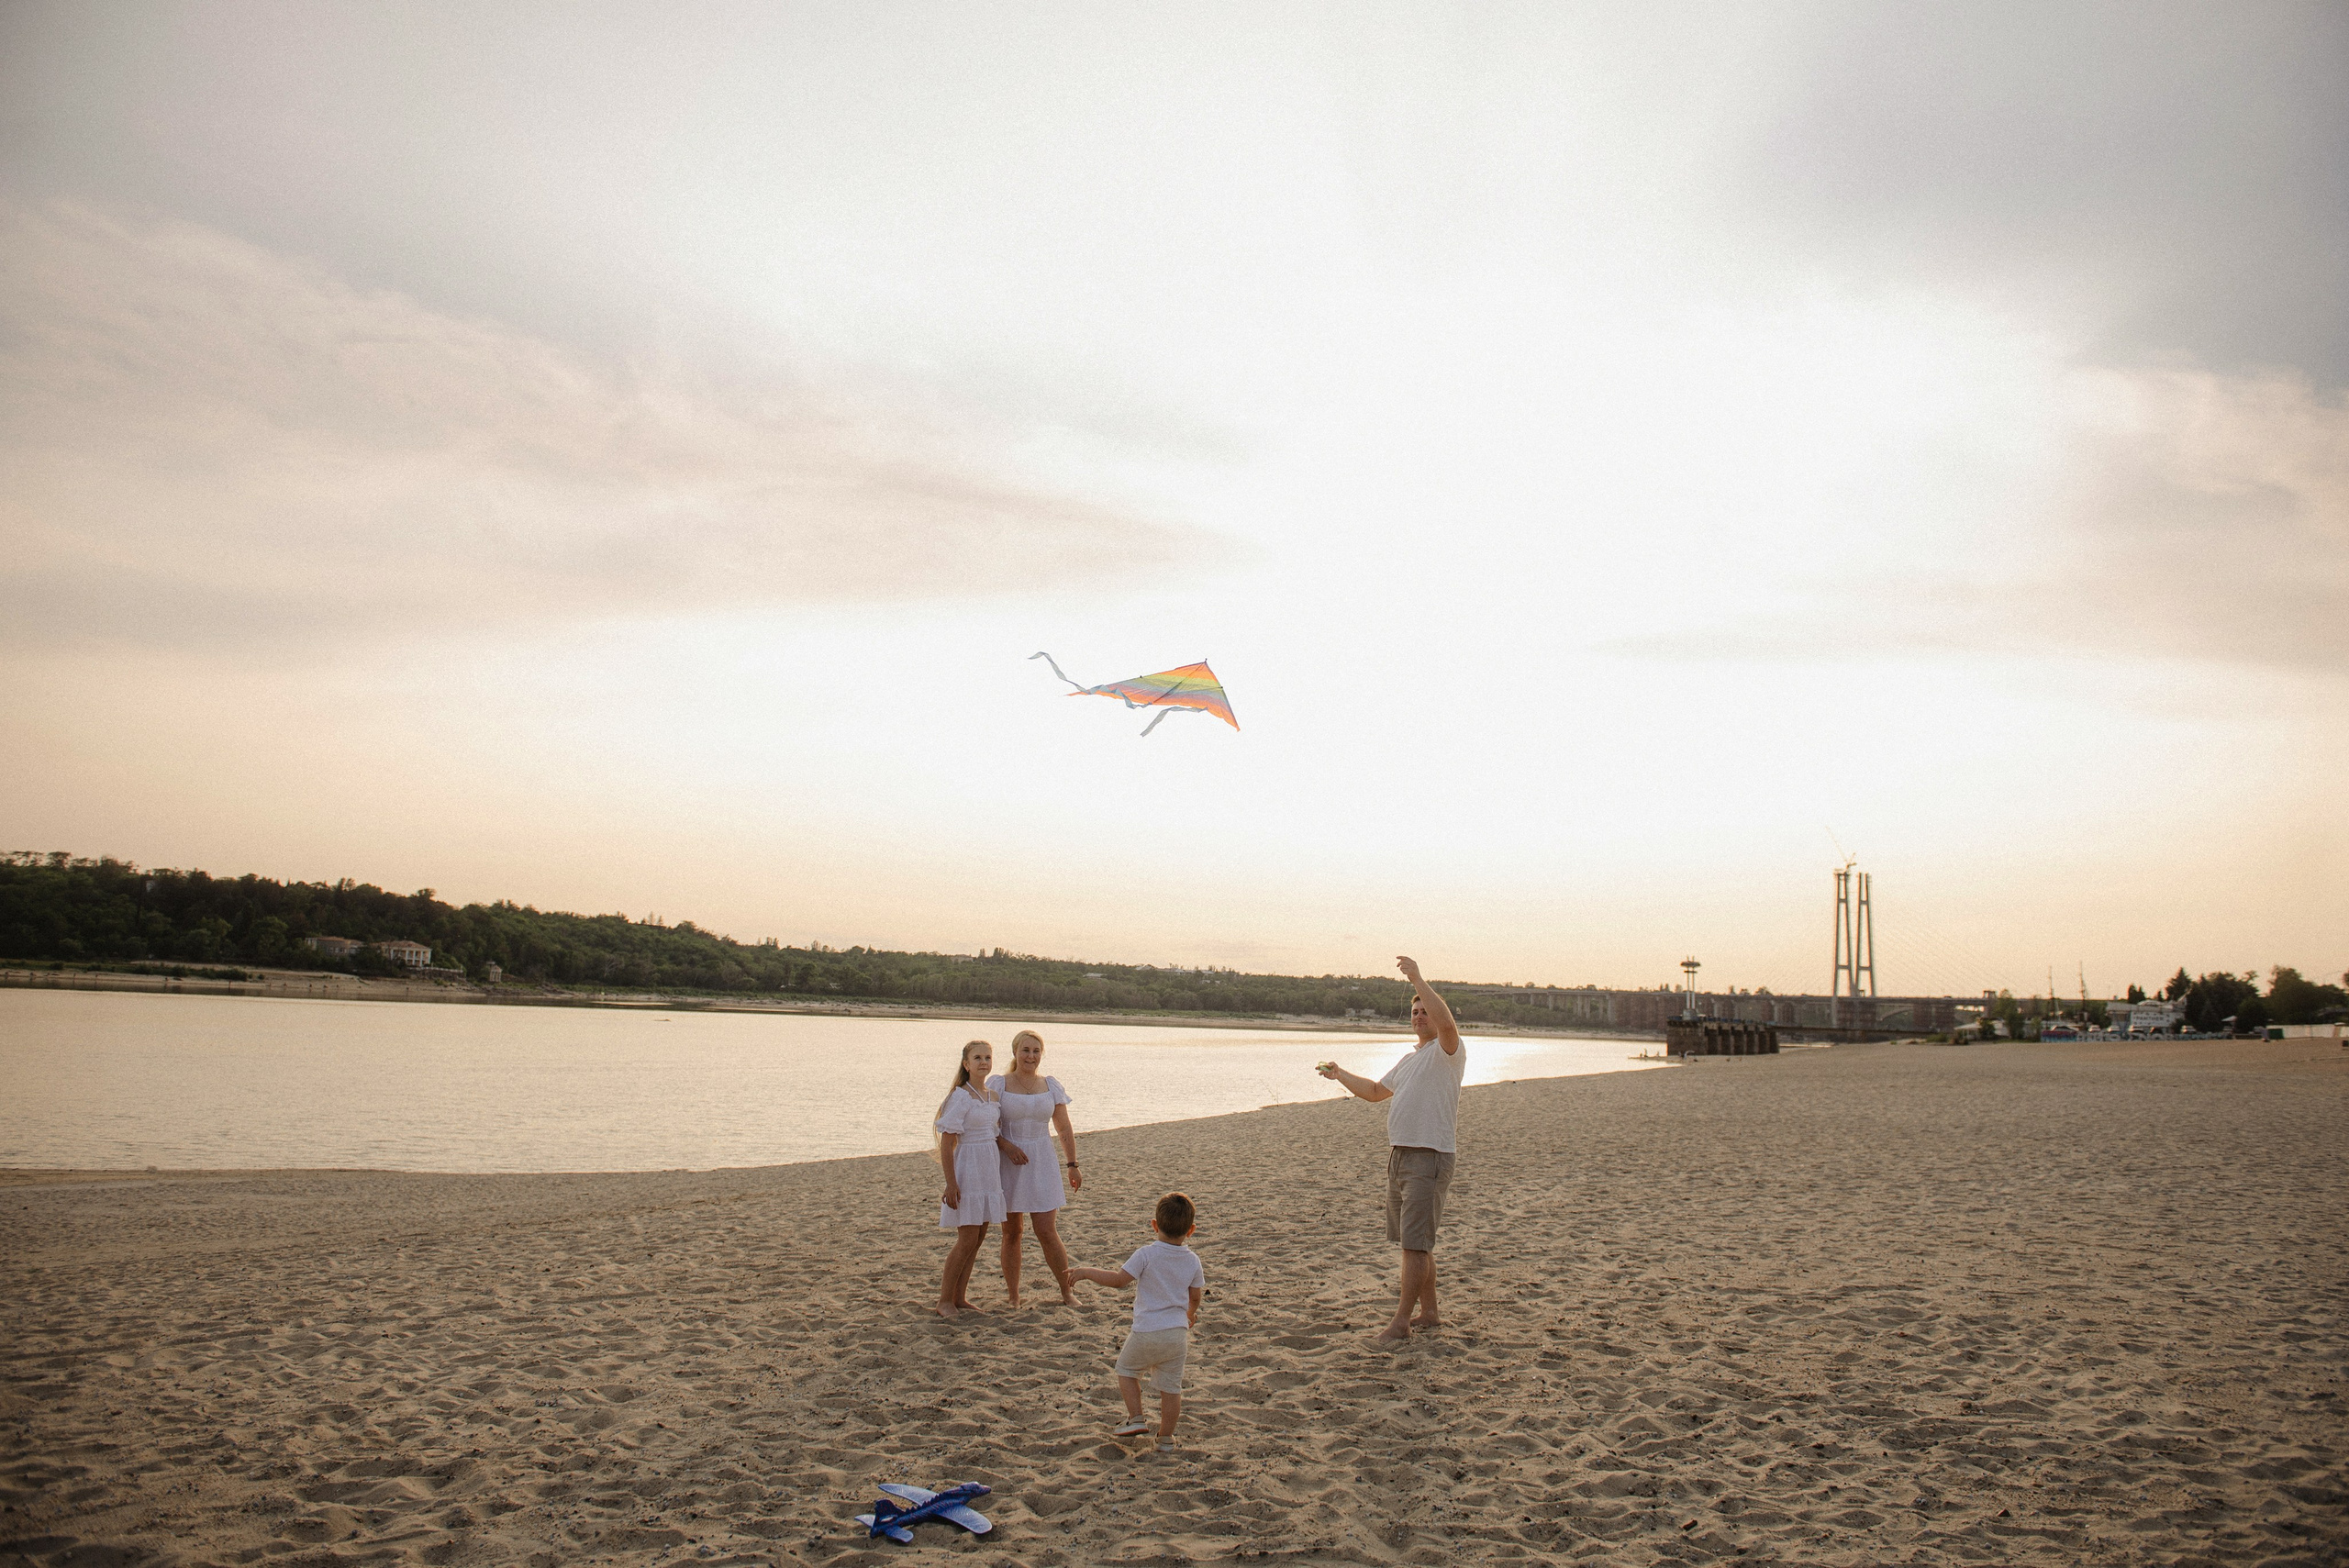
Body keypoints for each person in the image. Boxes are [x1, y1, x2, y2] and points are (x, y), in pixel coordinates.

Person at [1317, 954, 1464, 1342]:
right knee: (1415, 1241)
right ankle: (1429, 1313)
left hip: (1428, 1157)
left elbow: (1446, 1022)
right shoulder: (1409, 1060)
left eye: (1424, 1010)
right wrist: (1340, 1074)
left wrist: (1417, 978)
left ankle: (1400, 1322)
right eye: (1414, 1011)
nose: (1419, 1015)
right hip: (1400, 1157)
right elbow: (1375, 1092)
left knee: (1414, 1246)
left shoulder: (1448, 1051)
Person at [1069, 1193, 1205, 1452]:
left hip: (1146, 1331)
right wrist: (1189, 1314)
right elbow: (1195, 1297)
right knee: (1171, 1389)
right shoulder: (1193, 1260)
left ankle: (1136, 1417)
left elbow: (1119, 1280)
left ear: (1154, 1225)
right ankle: (1166, 1438)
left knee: (1127, 1371)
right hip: (1177, 1336)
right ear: (1191, 1231)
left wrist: (1086, 1272)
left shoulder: (1145, 1254)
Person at [989, 1029, 1082, 1307]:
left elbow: (1063, 1127)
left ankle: (1067, 1293)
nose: (1031, 1056)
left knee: (1047, 1231)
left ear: (1042, 1054)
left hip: (1042, 1160)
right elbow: (987, 1124)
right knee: (1012, 1232)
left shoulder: (1050, 1085)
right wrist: (1006, 1146)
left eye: (1036, 1051)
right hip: (1008, 1161)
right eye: (1025, 1050)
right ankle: (1014, 1296)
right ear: (1015, 1052)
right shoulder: (999, 1084)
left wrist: (1073, 1164)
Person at [934, 1040, 1018, 1318]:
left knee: (980, 1236)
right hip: (967, 1169)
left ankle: (960, 1297)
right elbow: (947, 1144)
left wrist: (1009, 1148)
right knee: (967, 1238)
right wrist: (951, 1182)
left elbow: (993, 1135)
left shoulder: (993, 1096)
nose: (984, 1062)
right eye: (977, 1058)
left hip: (988, 1170)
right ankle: (944, 1300)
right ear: (966, 1064)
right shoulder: (960, 1096)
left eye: (988, 1057)